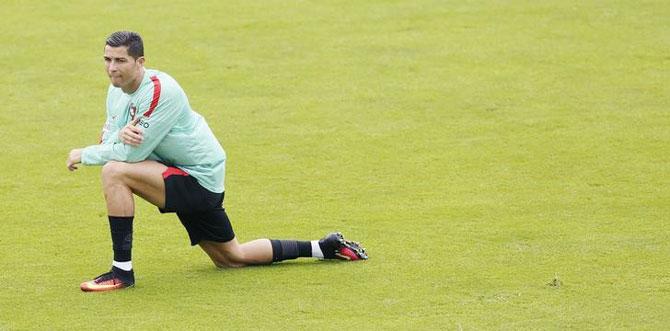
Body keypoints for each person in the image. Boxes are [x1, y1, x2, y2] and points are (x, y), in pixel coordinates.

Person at [67, 31, 367, 292]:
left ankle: (121, 273)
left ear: (140, 62)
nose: (111, 68)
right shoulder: (116, 90)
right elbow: (112, 140)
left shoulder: (160, 91)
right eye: (107, 59)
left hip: (198, 179)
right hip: (174, 173)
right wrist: (117, 135)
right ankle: (323, 246)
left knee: (115, 171)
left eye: (120, 61)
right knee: (232, 258)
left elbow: (130, 155)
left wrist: (87, 153)